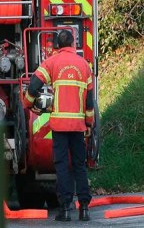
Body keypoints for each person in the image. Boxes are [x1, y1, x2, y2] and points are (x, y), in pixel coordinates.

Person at [23, 30, 94, 222]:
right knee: (79, 165)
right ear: (73, 44)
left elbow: (33, 86)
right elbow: (90, 101)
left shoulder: (52, 62)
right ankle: (85, 209)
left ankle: (64, 209)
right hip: (79, 126)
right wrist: (89, 123)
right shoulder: (84, 65)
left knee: (62, 166)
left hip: (60, 126)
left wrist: (27, 103)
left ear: (57, 45)